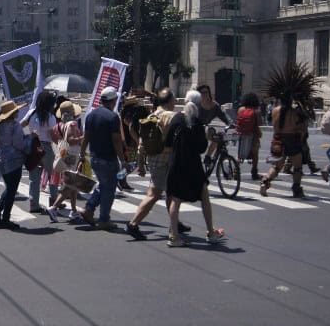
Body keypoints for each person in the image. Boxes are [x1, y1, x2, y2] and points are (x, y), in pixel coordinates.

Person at [125, 89, 190, 240]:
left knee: (170, 193)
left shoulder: (151, 116)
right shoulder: (173, 117)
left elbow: (141, 144)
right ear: (170, 101)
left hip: (154, 159)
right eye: (173, 100)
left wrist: (141, 164)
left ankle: (176, 223)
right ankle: (133, 224)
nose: (175, 103)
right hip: (167, 160)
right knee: (153, 195)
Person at [165, 90, 225, 247]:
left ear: (185, 102)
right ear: (198, 105)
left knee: (176, 199)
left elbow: (167, 142)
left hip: (176, 163)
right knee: (204, 196)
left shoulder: (177, 119)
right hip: (193, 166)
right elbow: (201, 148)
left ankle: (174, 236)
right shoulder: (197, 123)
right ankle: (211, 233)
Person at [77, 87, 129, 231]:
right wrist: (123, 160)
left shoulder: (91, 115)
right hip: (108, 159)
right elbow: (117, 140)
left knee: (103, 185)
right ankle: (104, 219)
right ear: (113, 101)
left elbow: (86, 136)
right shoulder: (113, 117)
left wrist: (82, 154)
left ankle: (89, 209)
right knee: (109, 189)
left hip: (94, 158)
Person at [0, 101, 32, 229]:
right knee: (11, 191)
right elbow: (19, 144)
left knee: (9, 189)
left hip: (2, 160)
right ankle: (5, 218)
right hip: (14, 161)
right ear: (13, 113)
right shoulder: (15, 125)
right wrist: (30, 140)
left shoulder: (0, 125)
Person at [46, 101, 84, 223]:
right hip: (72, 156)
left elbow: (58, 138)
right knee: (70, 184)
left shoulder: (61, 124)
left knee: (73, 184)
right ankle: (54, 207)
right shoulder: (72, 124)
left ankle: (73, 210)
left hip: (65, 156)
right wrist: (84, 137)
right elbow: (71, 140)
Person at [21, 90, 58, 211]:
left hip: (33, 147)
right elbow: (53, 135)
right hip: (46, 147)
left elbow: (21, 124)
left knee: (34, 177)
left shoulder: (31, 112)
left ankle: (34, 204)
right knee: (52, 175)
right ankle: (54, 201)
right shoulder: (51, 117)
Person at [196, 85, 232, 166]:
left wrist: (230, 123)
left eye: (206, 92)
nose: (205, 94)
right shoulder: (196, 104)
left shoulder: (214, 105)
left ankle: (208, 157)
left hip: (205, 127)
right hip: (195, 128)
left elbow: (223, 116)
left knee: (216, 137)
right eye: (202, 93)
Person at [236, 92, 263, 180]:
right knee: (255, 154)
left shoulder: (240, 110)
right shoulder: (256, 111)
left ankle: (235, 171)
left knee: (240, 154)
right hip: (253, 135)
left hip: (242, 135)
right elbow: (259, 123)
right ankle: (254, 172)